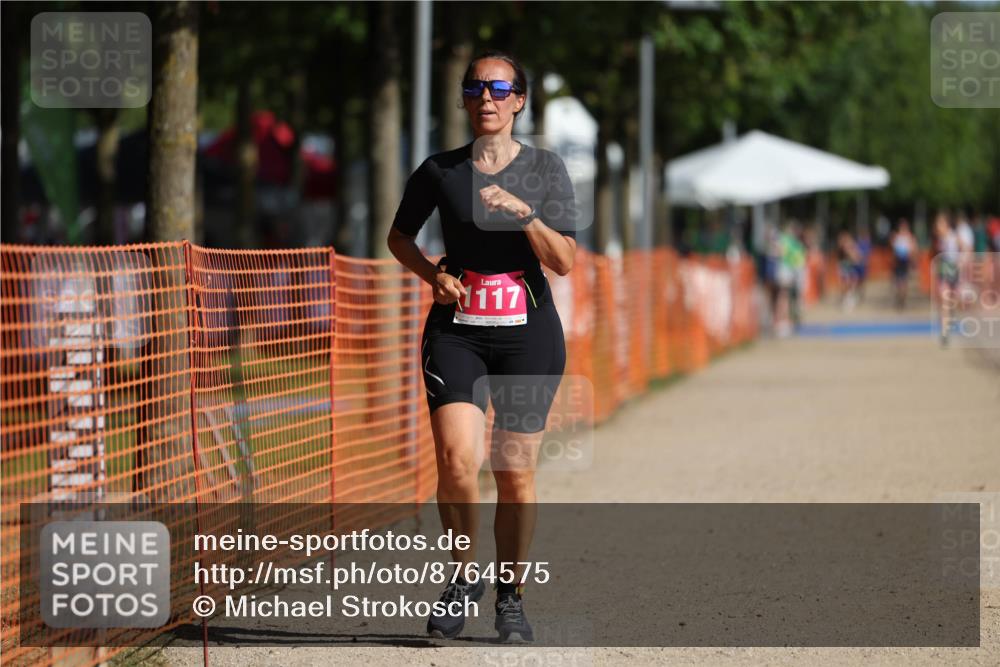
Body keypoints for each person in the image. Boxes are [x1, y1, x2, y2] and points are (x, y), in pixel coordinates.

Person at [386, 51, 577, 643]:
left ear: (519, 100)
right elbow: (398, 237)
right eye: (475, 88)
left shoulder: (546, 170)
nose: (486, 98)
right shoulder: (439, 171)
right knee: (454, 461)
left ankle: (511, 598)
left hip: (529, 335)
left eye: (498, 88)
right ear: (466, 100)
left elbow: (564, 262)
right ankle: (463, 576)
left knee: (513, 470)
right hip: (458, 330)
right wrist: (430, 275)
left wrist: (525, 216)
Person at [890, 218, 918, 309]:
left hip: (905, 262)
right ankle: (899, 298)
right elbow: (893, 249)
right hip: (897, 262)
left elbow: (914, 250)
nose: (903, 228)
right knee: (898, 282)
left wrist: (913, 262)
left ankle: (902, 300)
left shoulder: (910, 237)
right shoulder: (896, 237)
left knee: (904, 282)